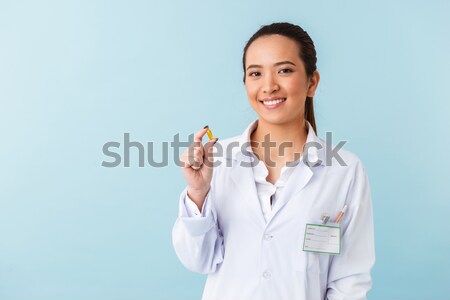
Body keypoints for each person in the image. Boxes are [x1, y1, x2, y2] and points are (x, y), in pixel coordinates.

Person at [172, 22, 375, 300]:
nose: (269, 86)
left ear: (311, 82)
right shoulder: (215, 159)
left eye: (284, 70)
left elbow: (349, 281)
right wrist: (198, 193)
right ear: (245, 82)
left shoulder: (345, 170)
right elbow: (197, 260)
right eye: (255, 73)